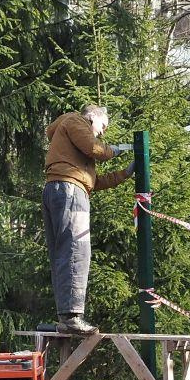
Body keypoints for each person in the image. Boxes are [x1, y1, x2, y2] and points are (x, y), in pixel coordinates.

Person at [43, 104, 134, 335]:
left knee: (63, 252)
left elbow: (94, 182)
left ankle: (66, 317)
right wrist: (116, 150)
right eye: (103, 126)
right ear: (92, 117)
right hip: (70, 192)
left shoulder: (69, 155)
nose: (103, 132)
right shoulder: (75, 121)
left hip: (62, 190)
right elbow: (95, 148)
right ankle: (73, 317)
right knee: (76, 249)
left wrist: (126, 173)